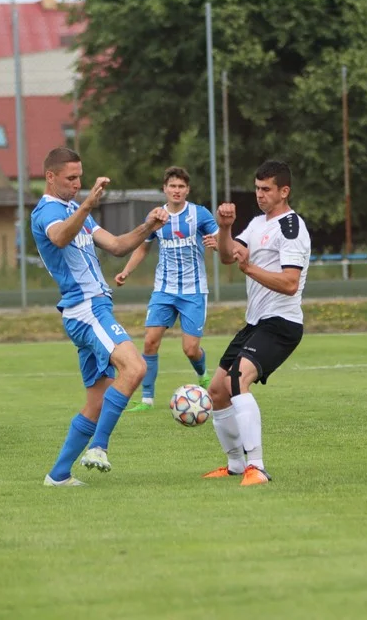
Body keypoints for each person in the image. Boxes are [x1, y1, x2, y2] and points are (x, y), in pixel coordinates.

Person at [31, 147, 169, 487]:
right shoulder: (47, 212)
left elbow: (118, 245)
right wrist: (88, 204)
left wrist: (148, 226)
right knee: (135, 368)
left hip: (92, 309)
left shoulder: (75, 210)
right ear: (50, 177)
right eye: (70, 178)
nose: (77, 184)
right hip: (86, 308)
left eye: (80, 177)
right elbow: (60, 237)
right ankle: (98, 447)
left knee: (96, 401)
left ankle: (58, 474)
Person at [202, 160, 311, 486]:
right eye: (257, 188)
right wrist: (225, 228)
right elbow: (226, 256)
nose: (260, 195)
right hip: (256, 323)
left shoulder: (291, 228)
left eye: (266, 189)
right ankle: (236, 464)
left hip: (282, 322)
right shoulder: (257, 224)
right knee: (217, 392)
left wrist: (249, 269)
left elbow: (290, 283)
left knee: (237, 380)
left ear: (284, 191)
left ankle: (257, 467)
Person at [114, 166, 219, 411]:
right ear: (165, 189)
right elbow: (142, 247)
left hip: (193, 290)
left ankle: (202, 373)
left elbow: (221, 241)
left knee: (190, 349)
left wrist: (215, 243)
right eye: (172, 186)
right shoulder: (156, 216)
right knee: (150, 342)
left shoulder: (199, 214)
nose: (176, 190)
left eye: (181, 186)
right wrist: (126, 271)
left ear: (187, 190)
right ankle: (148, 399)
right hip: (164, 289)